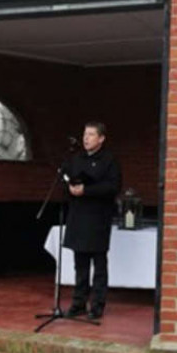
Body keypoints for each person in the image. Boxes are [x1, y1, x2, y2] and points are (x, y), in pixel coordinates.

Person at [62, 122, 121, 320]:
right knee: (80, 265)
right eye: (84, 134)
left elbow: (113, 186)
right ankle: (78, 302)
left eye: (91, 134)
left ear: (101, 138)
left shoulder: (109, 160)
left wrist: (86, 190)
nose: (86, 138)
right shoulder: (76, 158)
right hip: (78, 216)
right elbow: (66, 178)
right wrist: (70, 188)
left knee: (99, 265)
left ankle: (97, 305)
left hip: (97, 219)